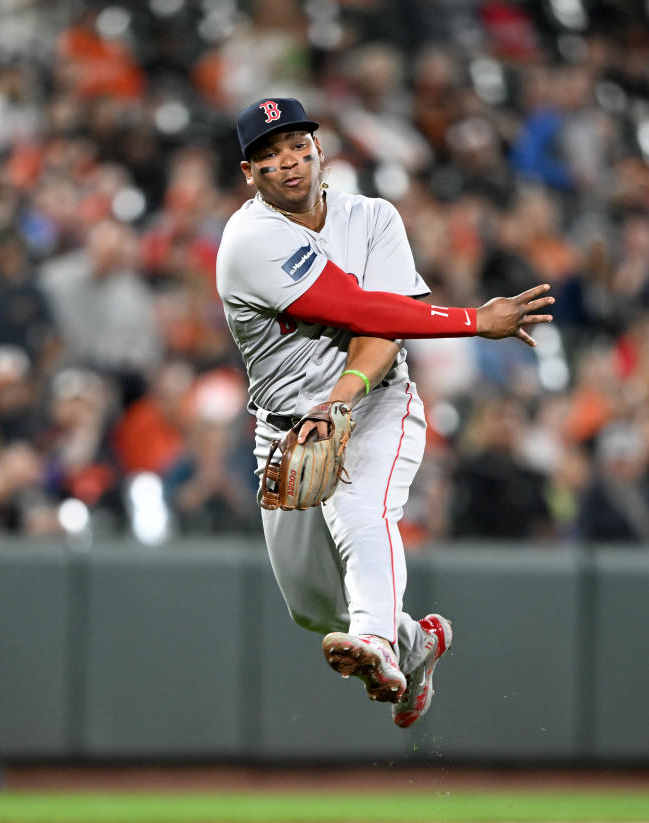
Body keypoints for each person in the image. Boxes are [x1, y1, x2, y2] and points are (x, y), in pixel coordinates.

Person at [215, 97, 553, 727]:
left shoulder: (372, 218)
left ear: (320, 148)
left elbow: (382, 328)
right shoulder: (250, 238)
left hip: (375, 403)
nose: (286, 162)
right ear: (249, 174)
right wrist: (475, 321)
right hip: (283, 428)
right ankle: (415, 642)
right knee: (312, 608)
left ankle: (376, 641)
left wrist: (342, 397)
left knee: (360, 507)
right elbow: (358, 307)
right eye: (267, 155)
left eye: (295, 145)